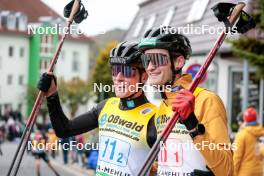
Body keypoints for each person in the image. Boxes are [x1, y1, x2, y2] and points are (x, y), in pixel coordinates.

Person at [37, 41, 157, 175]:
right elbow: (64, 130)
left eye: (127, 71)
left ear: (144, 76)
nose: (118, 78)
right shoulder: (106, 106)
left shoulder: (155, 117)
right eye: (115, 70)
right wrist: (52, 95)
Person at [138, 26, 233, 175]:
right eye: (146, 60)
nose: (150, 67)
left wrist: (192, 125)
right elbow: (168, 164)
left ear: (178, 62)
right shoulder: (162, 107)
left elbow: (226, 169)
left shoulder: (206, 100)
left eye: (157, 58)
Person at [233, 107, 264, 176]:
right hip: (259, 172)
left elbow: (237, 157)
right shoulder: (261, 133)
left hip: (245, 172)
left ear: (245, 119)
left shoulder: (242, 135)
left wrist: (233, 173)